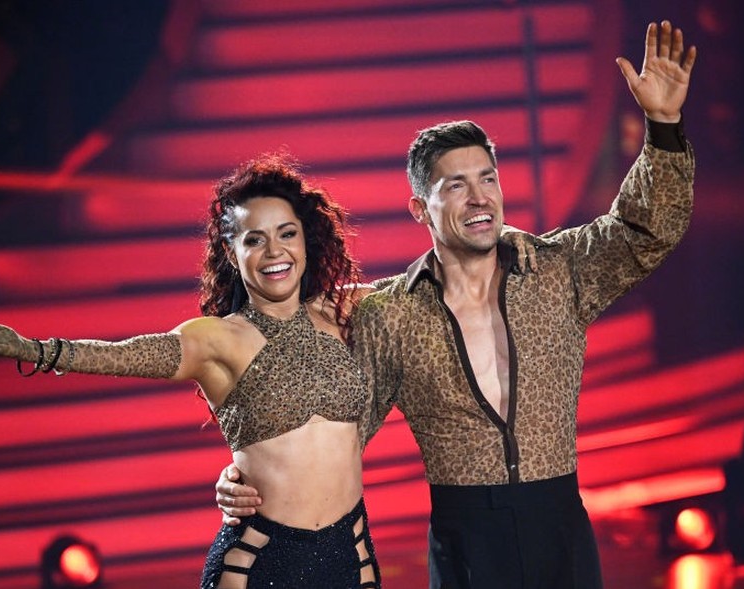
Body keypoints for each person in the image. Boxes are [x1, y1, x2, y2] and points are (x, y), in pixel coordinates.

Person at [216, 20, 697, 589]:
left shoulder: (557, 269)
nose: (479, 198)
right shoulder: (390, 314)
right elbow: (337, 428)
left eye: (487, 178)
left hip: (560, 526)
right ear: (420, 208)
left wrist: (663, 127)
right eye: (456, 185)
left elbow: (645, 230)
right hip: (466, 540)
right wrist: (249, 471)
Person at [0, 154, 383, 589]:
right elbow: (126, 355)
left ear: (307, 239)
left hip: (351, 556)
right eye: (254, 240)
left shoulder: (345, 311)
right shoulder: (217, 339)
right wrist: (35, 350)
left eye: (286, 234)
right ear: (232, 255)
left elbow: (431, 286)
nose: (275, 251)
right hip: (259, 564)